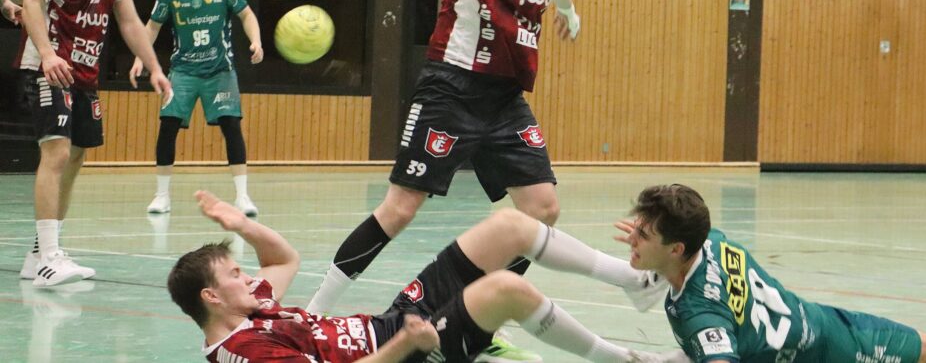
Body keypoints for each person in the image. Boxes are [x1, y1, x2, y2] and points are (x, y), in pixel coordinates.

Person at [308, 0, 582, 360]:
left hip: (506, 97)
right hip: (452, 84)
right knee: (399, 209)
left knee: (542, 210)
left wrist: (567, 9)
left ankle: (467, 318)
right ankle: (313, 314)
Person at [170, 190, 679, 363]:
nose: (248, 278)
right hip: (404, 354)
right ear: (212, 296)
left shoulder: (248, 308)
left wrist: (242, 226)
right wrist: (407, 344)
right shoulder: (245, 351)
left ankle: (634, 282)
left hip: (395, 323)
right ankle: (622, 359)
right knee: (505, 290)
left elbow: (283, 261)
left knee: (510, 226)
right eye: (235, 273)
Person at [615, 184, 926, 363]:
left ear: (677, 249)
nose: (632, 238)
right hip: (822, 324)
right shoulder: (711, 239)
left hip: (832, 352)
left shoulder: (699, 316)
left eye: (643, 234)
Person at [16, 0, 171, 287]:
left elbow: (128, 18)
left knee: (78, 155)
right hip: (49, 65)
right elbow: (31, 0)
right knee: (57, 153)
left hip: (85, 71)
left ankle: (39, 254)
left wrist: (154, 67)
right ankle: (50, 258)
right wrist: (47, 53)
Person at [129, 0, 263, 216]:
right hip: (183, 71)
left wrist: (256, 41)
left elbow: (247, 14)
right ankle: (162, 196)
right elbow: (152, 26)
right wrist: (141, 57)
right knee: (168, 126)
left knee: (231, 126)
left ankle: (243, 197)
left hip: (220, 70)